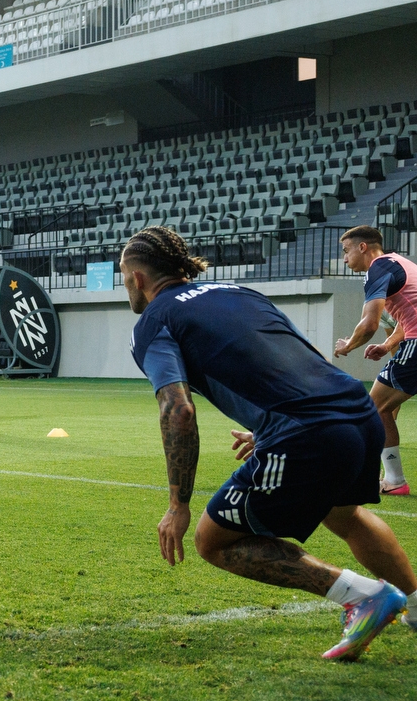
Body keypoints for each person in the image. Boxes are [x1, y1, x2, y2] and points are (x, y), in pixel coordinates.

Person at [123, 226, 413, 661]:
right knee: (343, 513)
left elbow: (178, 411)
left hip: (306, 429)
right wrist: (268, 428)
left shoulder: (152, 322)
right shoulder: (238, 291)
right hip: (355, 409)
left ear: (138, 278)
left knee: (212, 541)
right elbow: (303, 356)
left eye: (123, 275)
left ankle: (364, 596)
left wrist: (177, 504)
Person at [331, 225, 415, 496]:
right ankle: (390, 476)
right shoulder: (401, 262)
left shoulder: (377, 269)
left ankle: (394, 480)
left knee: (373, 408)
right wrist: (389, 344)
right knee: (383, 409)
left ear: (362, 247)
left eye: (346, 251)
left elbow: (369, 323)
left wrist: (348, 345)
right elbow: (407, 319)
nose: (345, 259)